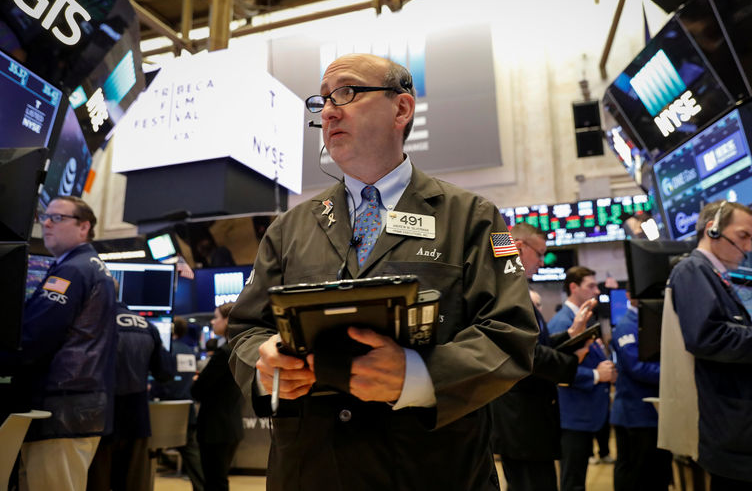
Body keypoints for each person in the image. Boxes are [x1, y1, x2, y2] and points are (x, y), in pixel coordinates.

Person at [227, 53, 539, 491]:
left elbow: (511, 334)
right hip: (311, 471)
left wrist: (419, 376)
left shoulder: (473, 217)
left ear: (402, 108)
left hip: (432, 470)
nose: (330, 110)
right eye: (322, 101)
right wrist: (264, 365)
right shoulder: (289, 228)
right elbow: (245, 330)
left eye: (347, 92)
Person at [661, 200, 752, 490]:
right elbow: (707, 338)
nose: (748, 248)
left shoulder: (715, 277)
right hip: (734, 435)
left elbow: (728, 346)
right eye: (743, 236)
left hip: (750, 433)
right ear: (712, 231)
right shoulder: (692, 270)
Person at [16, 196, 117, 490]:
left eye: (58, 218)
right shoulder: (93, 267)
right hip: (78, 406)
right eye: (45, 216)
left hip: (62, 407)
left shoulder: (73, 270)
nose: (46, 223)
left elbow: (36, 337)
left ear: (84, 226)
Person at [490, 223, 594, 491]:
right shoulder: (506, 289)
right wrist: (573, 362)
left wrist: (571, 335)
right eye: (540, 253)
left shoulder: (513, 287)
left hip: (529, 421)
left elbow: (538, 343)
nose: (542, 261)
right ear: (520, 248)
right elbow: (528, 353)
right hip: (522, 421)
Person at [87, 297, 174, 491]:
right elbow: (165, 373)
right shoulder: (147, 326)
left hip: (101, 419)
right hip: (137, 420)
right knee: (133, 483)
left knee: (97, 483)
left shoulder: (95, 322)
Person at [548, 266, 617, 491]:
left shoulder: (581, 318)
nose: (596, 291)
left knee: (577, 478)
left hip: (585, 413)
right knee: (572, 480)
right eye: (591, 286)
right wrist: (597, 374)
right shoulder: (563, 323)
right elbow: (556, 369)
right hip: (573, 414)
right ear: (573, 287)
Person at [609, 292, 671, 491]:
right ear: (629, 295)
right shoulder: (627, 325)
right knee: (635, 475)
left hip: (650, 414)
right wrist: (674, 374)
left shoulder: (650, 320)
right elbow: (636, 368)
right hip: (634, 414)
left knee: (656, 473)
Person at [192, 303, 244, 491]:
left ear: (228, 320)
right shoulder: (240, 349)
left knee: (215, 482)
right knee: (219, 479)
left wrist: (196, 381)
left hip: (215, 429)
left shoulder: (223, 354)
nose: (213, 321)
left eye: (216, 317)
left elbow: (198, 390)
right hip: (231, 427)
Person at [150, 317, 204, 491]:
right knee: (193, 457)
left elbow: (162, 381)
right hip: (186, 411)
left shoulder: (167, 351)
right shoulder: (190, 351)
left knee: (147, 455)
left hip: (162, 413)